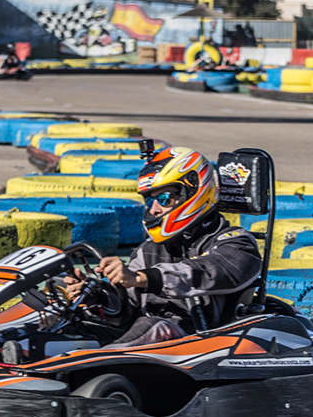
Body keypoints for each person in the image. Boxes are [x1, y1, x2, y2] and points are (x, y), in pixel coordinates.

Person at [66, 145, 263, 347]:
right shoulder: (149, 250)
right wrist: (95, 296)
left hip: (206, 343)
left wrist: (144, 278)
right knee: (68, 323)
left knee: (155, 327)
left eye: (164, 199)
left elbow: (210, 272)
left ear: (194, 191)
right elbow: (124, 310)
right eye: (150, 200)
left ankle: (94, 364)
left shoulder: (237, 242)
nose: (154, 210)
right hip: (150, 345)